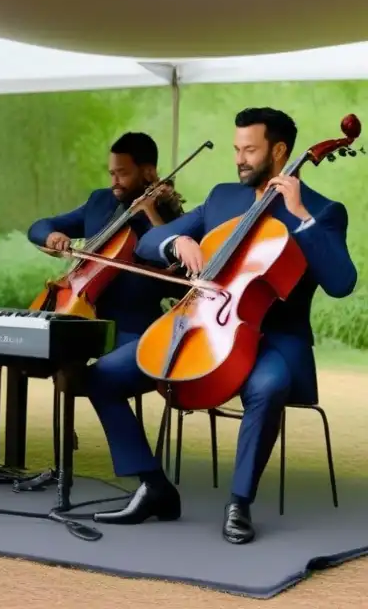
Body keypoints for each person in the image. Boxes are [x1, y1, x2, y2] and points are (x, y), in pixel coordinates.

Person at [86, 107, 357, 544]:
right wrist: (180, 240)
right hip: (203, 322)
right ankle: (153, 486)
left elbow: (343, 283)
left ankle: (239, 502)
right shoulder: (222, 198)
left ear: (280, 151)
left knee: (267, 387)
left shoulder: (323, 212)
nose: (240, 159)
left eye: (250, 150)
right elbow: (152, 241)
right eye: (236, 149)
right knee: (101, 377)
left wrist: (301, 216)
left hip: (274, 340)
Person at [27, 131, 186, 347]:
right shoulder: (100, 201)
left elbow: (177, 271)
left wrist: (151, 212)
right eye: (112, 173)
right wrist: (51, 237)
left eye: (122, 173)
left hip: (132, 328)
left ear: (148, 172)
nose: (114, 182)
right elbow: (39, 227)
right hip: (81, 310)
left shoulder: (167, 213)